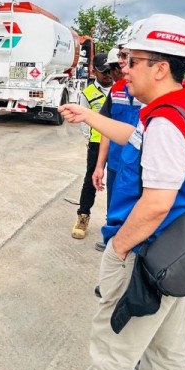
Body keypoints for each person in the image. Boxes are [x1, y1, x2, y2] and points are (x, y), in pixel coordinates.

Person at [59, 14, 185, 370]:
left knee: (111, 355)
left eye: (131, 60)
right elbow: (133, 137)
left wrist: (119, 250)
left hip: (146, 255)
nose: (123, 68)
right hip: (176, 253)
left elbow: (157, 203)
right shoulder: (182, 104)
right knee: (167, 356)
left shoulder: (166, 123)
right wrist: (88, 115)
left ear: (160, 68)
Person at [91, 26, 143, 252]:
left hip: (140, 164)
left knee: (137, 207)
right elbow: (106, 129)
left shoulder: (146, 92)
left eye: (120, 66)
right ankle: (111, 241)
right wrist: (99, 165)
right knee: (114, 205)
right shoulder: (116, 92)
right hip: (115, 162)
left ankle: (131, 243)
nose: (115, 74)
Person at [71, 53, 116, 239]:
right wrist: (90, 139)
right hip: (97, 143)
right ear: (94, 71)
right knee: (91, 180)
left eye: (110, 71)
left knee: (116, 183)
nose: (107, 75)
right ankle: (83, 216)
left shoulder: (121, 90)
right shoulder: (87, 93)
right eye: (103, 72)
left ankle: (113, 222)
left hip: (117, 143)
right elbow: (84, 121)